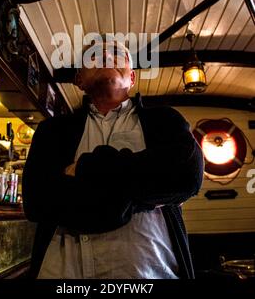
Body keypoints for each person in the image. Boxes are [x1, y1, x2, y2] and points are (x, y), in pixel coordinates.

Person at [22, 37, 204, 279]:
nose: (107, 56)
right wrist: (143, 195)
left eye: (119, 55)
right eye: (94, 55)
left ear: (132, 78)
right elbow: (37, 202)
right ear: (79, 80)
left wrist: (85, 169)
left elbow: (188, 176)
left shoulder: (166, 120)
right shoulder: (52, 131)